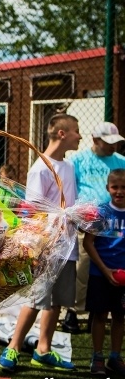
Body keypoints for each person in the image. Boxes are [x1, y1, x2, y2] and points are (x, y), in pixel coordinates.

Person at [0, 113, 81, 373]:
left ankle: (43, 349)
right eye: (76, 130)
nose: (80, 135)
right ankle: (13, 346)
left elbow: (69, 203)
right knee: (36, 298)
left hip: (68, 247)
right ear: (62, 134)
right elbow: (33, 210)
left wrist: (79, 215)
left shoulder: (68, 167)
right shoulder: (40, 169)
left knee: (57, 301)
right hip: (48, 248)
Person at [63, 122, 125, 334]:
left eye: (115, 143)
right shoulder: (78, 161)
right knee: (85, 268)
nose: (112, 147)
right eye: (108, 143)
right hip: (89, 222)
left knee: (111, 265)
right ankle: (75, 311)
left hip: (116, 222)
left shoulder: (121, 161)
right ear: (95, 140)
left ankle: (96, 313)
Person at [83, 168, 125, 376]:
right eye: (115, 187)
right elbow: (88, 242)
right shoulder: (102, 213)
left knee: (120, 316)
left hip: (123, 277)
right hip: (100, 274)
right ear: (108, 188)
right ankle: (97, 357)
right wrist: (105, 270)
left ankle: (115, 358)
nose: (119, 191)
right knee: (99, 315)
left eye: (123, 187)